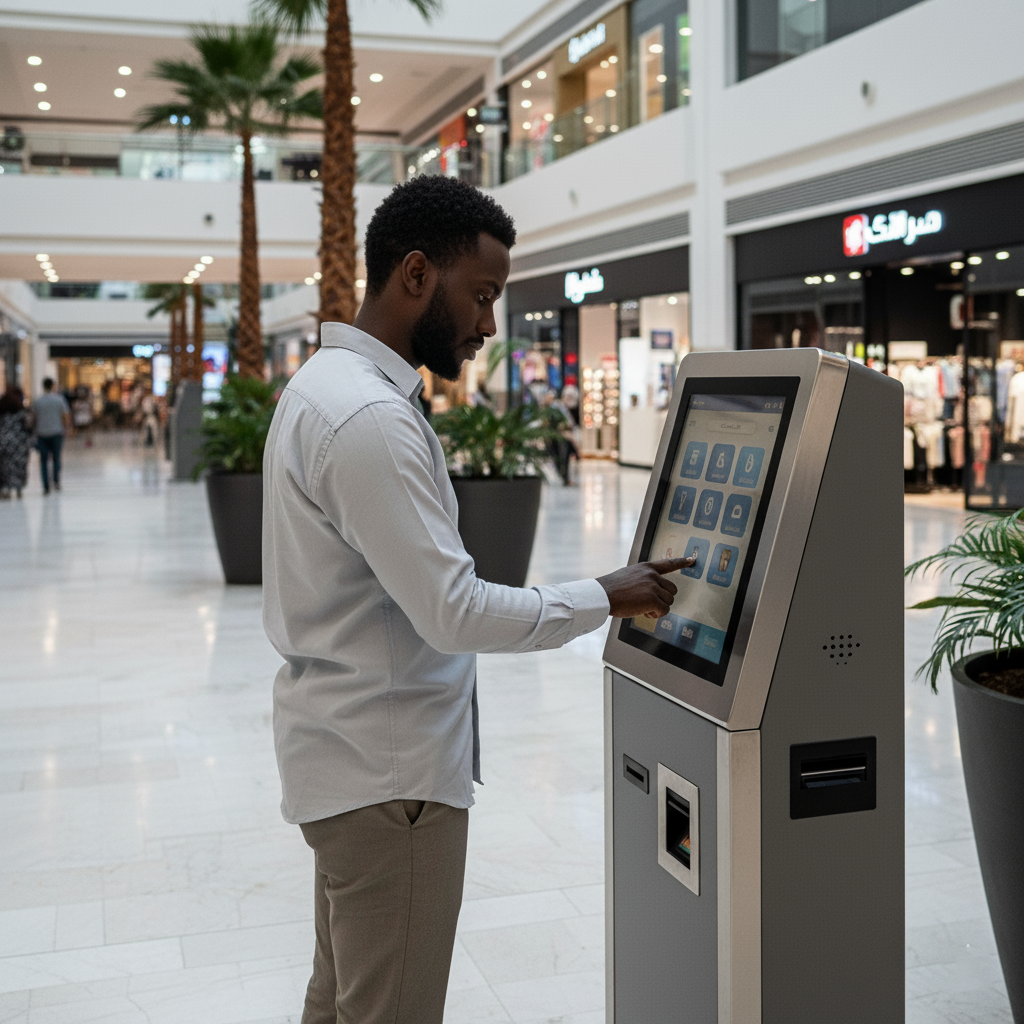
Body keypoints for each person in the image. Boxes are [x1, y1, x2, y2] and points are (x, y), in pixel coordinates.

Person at [262, 175, 694, 1024]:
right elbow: (451, 611)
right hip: (392, 788)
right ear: (417, 274)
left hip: (346, 762)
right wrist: (604, 595)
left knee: (340, 1000)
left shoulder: (323, 387)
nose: (490, 326)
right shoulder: (368, 420)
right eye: (483, 296)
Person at [33, 378, 71, 495]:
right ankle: (56, 480)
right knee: (56, 458)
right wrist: (67, 428)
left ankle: (46, 485)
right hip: (56, 433)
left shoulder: (38, 401)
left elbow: (34, 418)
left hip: (42, 433)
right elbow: (65, 416)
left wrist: (34, 431)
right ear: (52, 386)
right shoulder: (59, 400)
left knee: (43, 460)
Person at [0, 386, 34, 499]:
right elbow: (29, 427)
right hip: (20, 444)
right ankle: (19, 489)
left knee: (5, 467)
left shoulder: (3, 413)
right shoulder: (22, 412)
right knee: (20, 466)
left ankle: (6, 490)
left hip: (5, 442)